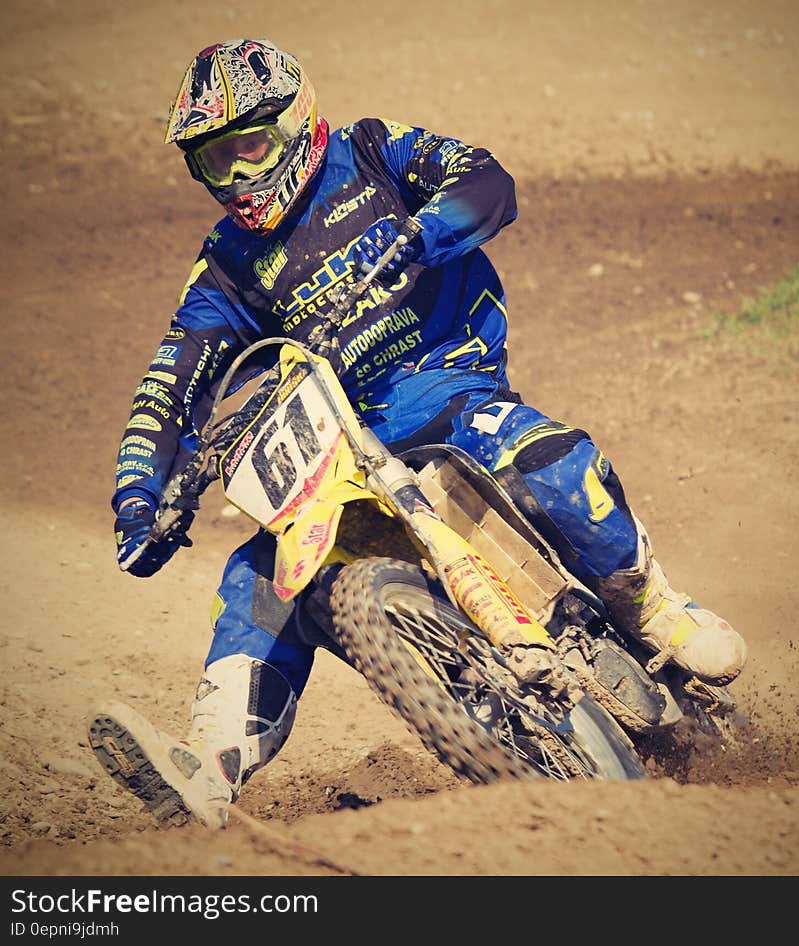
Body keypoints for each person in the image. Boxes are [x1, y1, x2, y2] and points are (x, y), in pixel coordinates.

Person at [89, 39, 746, 829]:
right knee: (259, 576)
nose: (235, 178)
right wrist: (139, 494)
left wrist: (419, 233)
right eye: (213, 163)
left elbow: (485, 180)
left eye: (248, 149)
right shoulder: (227, 265)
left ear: (295, 119)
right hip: (341, 445)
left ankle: (653, 608)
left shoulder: (371, 152)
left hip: (449, 391)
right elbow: (171, 381)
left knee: (552, 462)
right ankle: (211, 765)